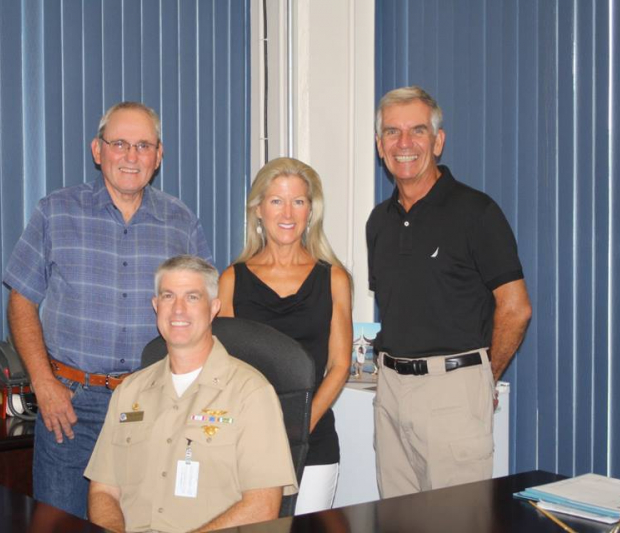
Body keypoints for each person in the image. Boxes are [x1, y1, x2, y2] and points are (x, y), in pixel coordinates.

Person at [3, 102, 212, 518]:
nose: (131, 157)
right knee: (60, 524)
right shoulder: (55, 212)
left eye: (143, 145)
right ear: (97, 150)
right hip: (70, 407)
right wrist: (43, 384)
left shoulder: (181, 221)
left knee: (149, 523)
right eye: (119, 144)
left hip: (154, 407)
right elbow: (21, 300)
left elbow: (204, 312)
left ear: (158, 155)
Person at [367, 86, 532, 498]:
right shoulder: (378, 222)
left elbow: (516, 308)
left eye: (417, 131)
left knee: (457, 521)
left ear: (438, 141)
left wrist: (482, 378)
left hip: (454, 391)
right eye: (392, 132)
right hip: (389, 392)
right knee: (397, 520)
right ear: (379, 144)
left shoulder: (476, 212)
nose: (404, 144)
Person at [86, 255, 298, 532]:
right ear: (155, 306)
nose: (178, 310)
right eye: (168, 296)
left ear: (213, 309)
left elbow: (262, 504)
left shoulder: (251, 393)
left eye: (193, 297)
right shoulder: (128, 392)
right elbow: (103, 491)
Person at [217, 157, 352, 514]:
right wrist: (262, 432)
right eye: (276, 200)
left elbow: (340, 365)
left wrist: (299, 426)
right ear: (258, 210)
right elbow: (223, 369)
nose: (287, 212)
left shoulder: (334, 279)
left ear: (311, 211)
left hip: (313, 440)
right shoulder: (231, 280)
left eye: (298, 201)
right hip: (246, 442)